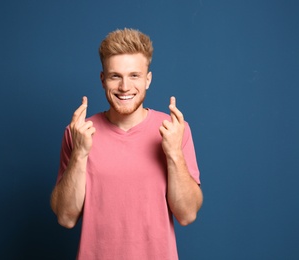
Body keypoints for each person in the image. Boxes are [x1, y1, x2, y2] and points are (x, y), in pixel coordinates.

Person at [51, 28, 203, 259]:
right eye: (115, 76)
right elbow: (65, 217)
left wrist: (173, 153)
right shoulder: (79, 132)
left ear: (148, 80)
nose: (124, 87)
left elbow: (187, 214)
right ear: (103, 80)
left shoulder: (174, 130)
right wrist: (80, 153)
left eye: (134, 75)